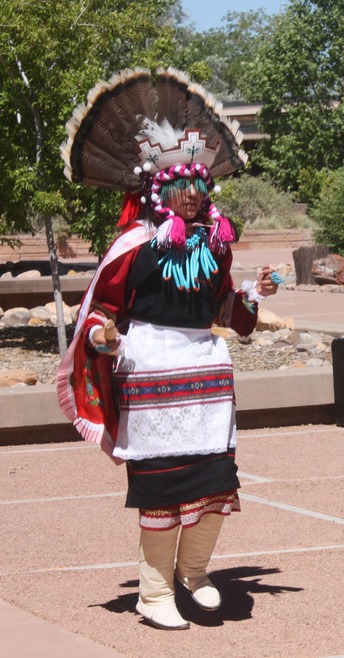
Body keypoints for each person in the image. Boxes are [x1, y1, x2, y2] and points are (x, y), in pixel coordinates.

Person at [56, 68, 279, 629]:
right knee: (160, 487)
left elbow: (229, 313)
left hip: (205, 372)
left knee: (216, 483)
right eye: (181, 187)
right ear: (156, 190)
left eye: (199, 187)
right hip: (151, 370)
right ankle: (152, 593)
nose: (191, 196)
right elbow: (102, 311)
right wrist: (104, 336)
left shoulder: (215, 246)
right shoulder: (134, 245)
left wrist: (254, 295)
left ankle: (195, 572)